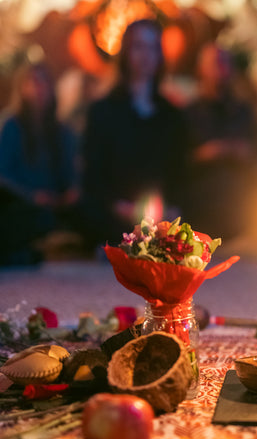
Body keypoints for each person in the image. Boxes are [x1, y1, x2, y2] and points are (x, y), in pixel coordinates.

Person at [81, 19, 187, 248]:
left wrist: (172, 206)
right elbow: (93, 173)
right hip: (116, 210)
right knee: (87, 210)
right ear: (126, 53)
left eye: (152, 47)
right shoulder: (102, 111)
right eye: (138, 46)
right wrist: (119, 206)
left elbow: (180, 170)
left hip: (162, 213)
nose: (145, 55)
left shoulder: (172, 115)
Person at [0, 61, 79, 265]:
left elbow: (70, 175)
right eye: (34, 82)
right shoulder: (11, 126)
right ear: (21, 88)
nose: (40, 88)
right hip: (21, 204)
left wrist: (71, 190)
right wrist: (31, 196)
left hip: (55, 206)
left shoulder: (62, 131)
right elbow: (3, 176)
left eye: (45, 82)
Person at [183, 43, 257, 240]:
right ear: (201, 69)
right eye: (216, 63)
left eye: (226, 62)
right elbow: (176, 161)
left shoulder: (243, 112)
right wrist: (207, 153)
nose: (222, 68)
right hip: (199, 211)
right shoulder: (188, 114)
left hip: (240, 213)